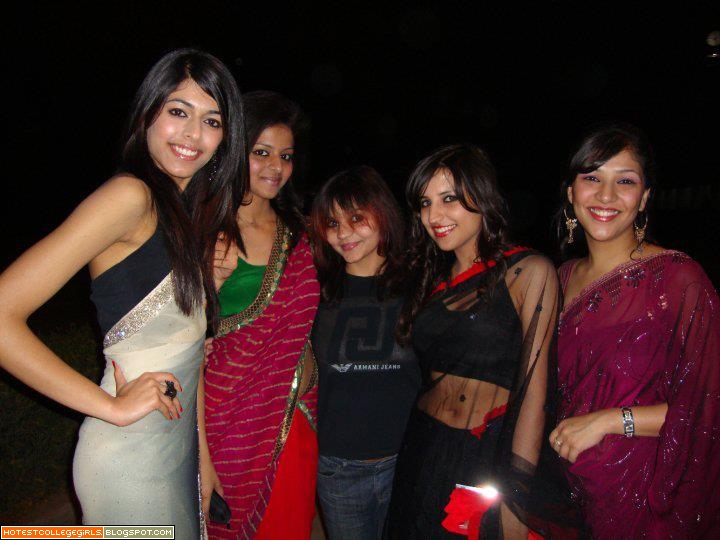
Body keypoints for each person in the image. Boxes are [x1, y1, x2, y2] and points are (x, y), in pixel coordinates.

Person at [0, 48, 245, 534]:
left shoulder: (185, 217)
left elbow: (185, 357)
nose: (193, 134)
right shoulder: (130, 197)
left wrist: (202, 460)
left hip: (174, 449)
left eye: (212, 120)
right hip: (129, 461)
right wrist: (109, 406)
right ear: (148, 113)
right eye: (178, 111)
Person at [385, 143, 580, 539]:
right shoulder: (429, 277)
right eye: (425, 203)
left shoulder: (527, 271)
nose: (433, 216)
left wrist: (517, 491)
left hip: (485, 454)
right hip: (423, 446)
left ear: (482, 196)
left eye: (449, 199)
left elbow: (535, 394)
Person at [550, 122, 720, 538]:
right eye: (592, 178)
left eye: (625, 181)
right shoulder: (560, 278)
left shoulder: (678, 280)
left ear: (644, 197)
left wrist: (609, 421)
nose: (606, 196)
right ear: (571, 193)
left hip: (648, 500)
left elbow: (707, 408)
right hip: (571, 493)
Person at [202, 91, 320, 539]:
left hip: (294, 422)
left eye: (285, 156)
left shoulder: (302, 235)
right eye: (262, 153)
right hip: (224, 424)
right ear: (236, 151)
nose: (276, 167)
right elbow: (182, 337)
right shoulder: (205, 230)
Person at [308, 166, 421, 540]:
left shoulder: (421, 285)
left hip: (408, 461)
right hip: (339, 468)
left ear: (383, 214)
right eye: (332, 223)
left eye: (356, 218)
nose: (344, 233)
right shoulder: (314, 290)